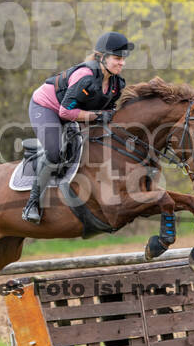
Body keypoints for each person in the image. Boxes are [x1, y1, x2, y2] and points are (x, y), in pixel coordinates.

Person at [22, 31, 134, 224]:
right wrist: (98, 116)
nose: (121, 63)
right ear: (102, 57)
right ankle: (32, 204)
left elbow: (107, 114)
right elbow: (65, 112)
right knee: (55, 152)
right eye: (117, 58)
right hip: (46, 107)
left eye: (123, 59)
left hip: (73, 111)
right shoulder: (85, 76)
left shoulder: (117, 83)